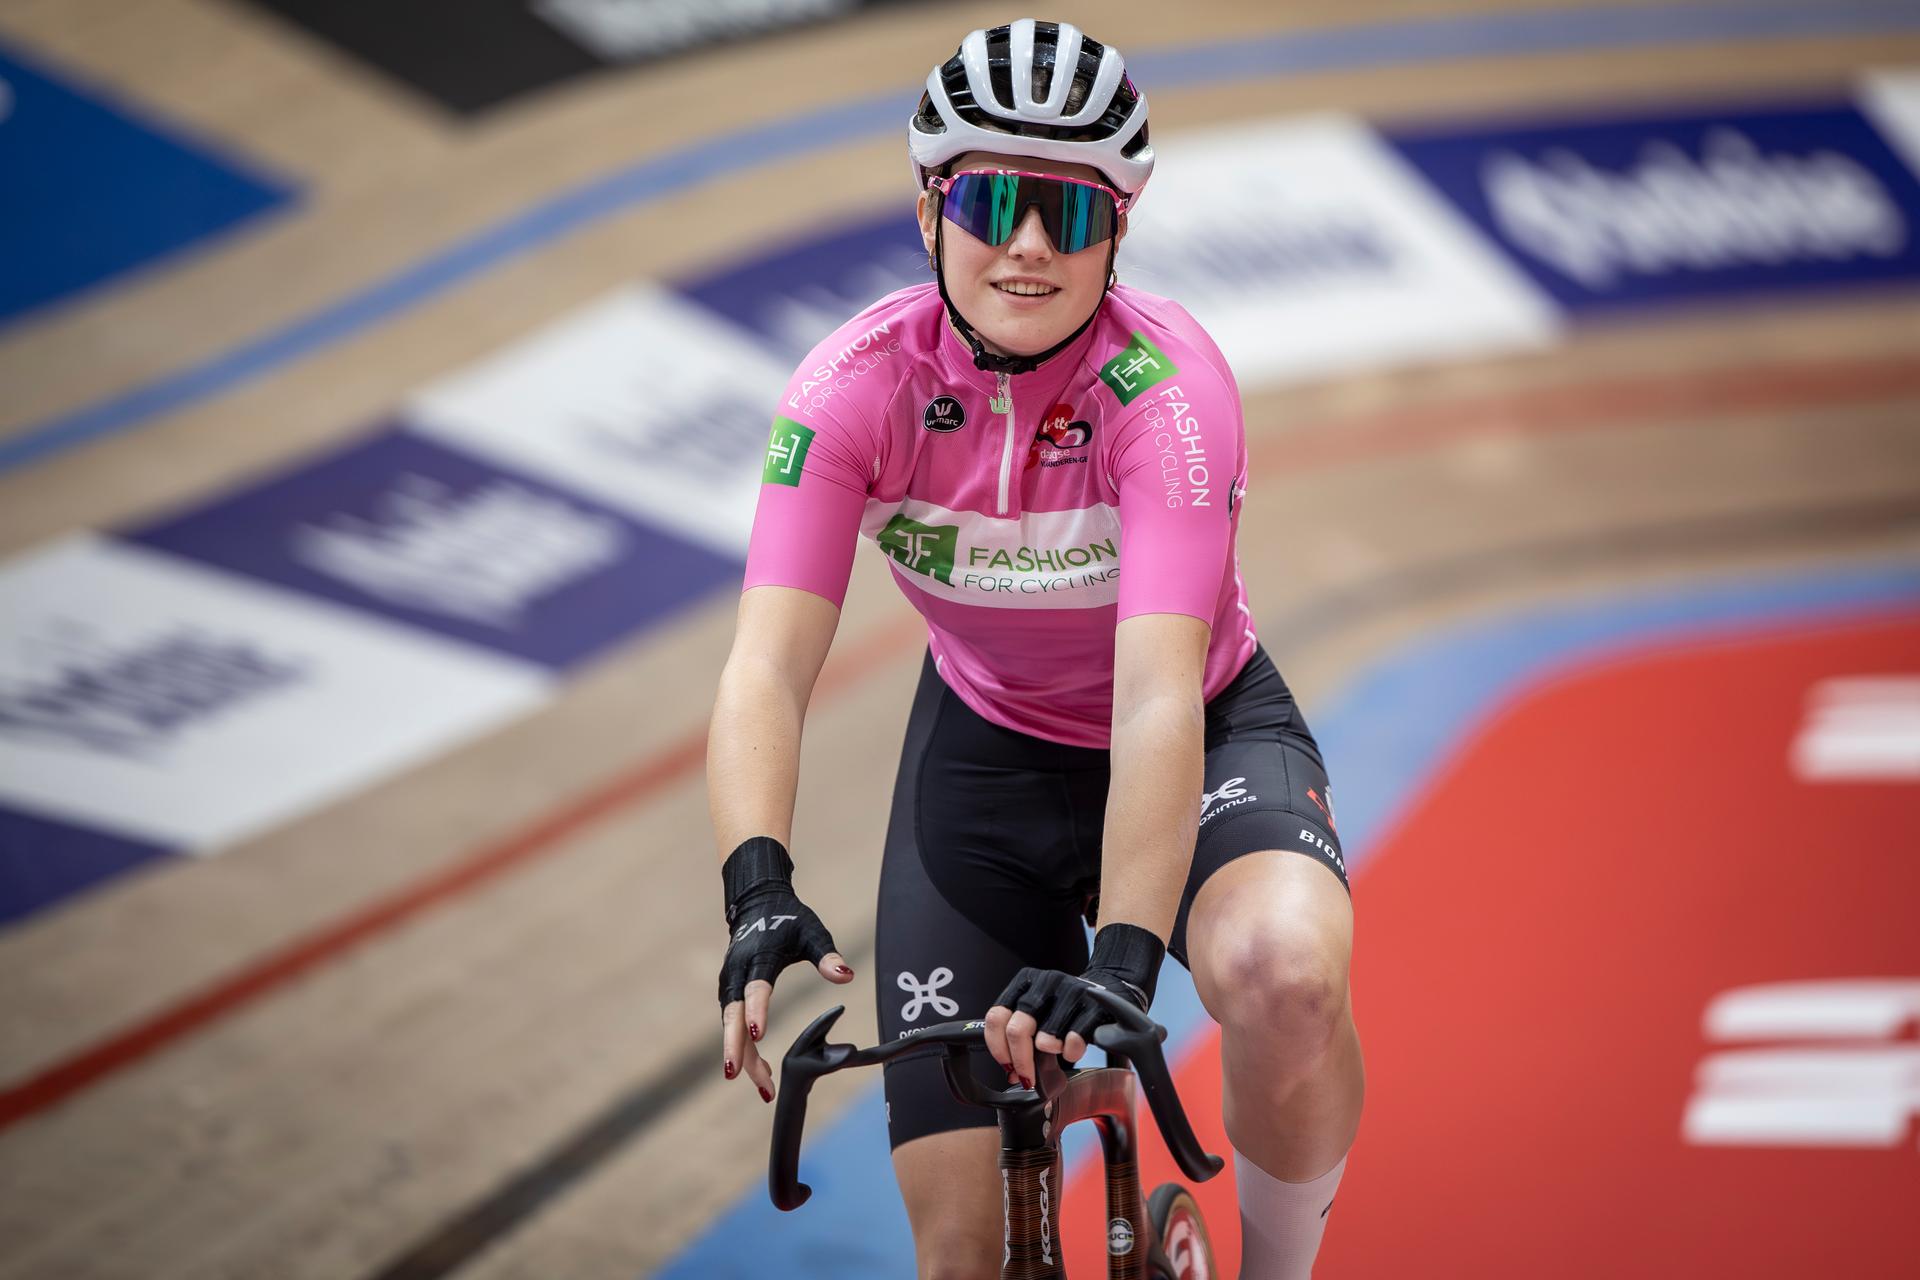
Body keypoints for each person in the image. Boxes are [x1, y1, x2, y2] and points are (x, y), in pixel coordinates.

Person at [710, 20, 1361, 1278]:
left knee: (1284, 978)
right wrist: (757, 883)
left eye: (1065, 214)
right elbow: (764, 665)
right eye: (991, 202)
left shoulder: (1168, 394)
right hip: (985, 756)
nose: (1024, 247)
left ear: (1119, 226)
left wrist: (1122, 954)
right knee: (963, 1258)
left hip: (1205, 731)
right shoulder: (852, 389)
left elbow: (1158, 693)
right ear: (926, 210)